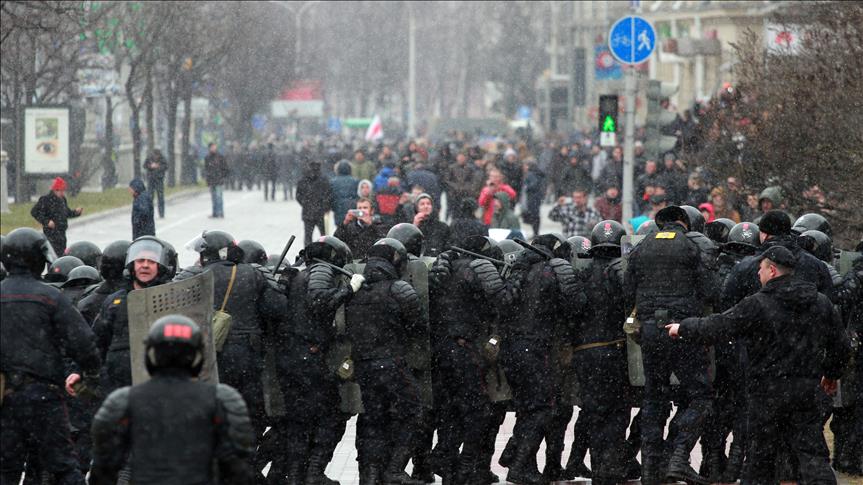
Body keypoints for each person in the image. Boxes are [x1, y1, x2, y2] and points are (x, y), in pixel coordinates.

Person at [666, 246, 851, 485]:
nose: (758, 274)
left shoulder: (758, 304)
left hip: (767, 393)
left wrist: (683, 327)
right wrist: (830, 373)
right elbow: (841, 346)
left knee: (761, 458)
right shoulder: (820, 302)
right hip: (806, 391)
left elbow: (720, 326)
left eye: (761, 269)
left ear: (772, 271)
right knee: (812, 456)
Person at [89, 315, 254, 485]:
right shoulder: (223, 398)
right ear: (196, 354)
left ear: (151, 353)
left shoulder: (122, 400)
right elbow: (237, 466)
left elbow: (103, 466)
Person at [623, 205, 719, 485]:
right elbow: (711, 289)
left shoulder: (642, 247)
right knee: (700, 395)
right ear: (684, 223)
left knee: (654, 397)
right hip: (682, 330)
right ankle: (677, 456)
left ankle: (650, 469)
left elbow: (627, 290)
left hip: (650, 331)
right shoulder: (691, 246)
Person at [1, 227, 101, 485]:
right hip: (44, 398)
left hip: (4, 398)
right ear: (38, 257)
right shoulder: (50, 297)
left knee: (6, 468)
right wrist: (89, 374)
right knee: (64, 466)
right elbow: (84, 342)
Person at [427, 236, 516, 484]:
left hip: (443, 348)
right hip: (463, 348)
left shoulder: (447, 268)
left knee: (452, 409)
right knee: (478, 411)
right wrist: (515, 279)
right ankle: (463, 464)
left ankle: (446, 457)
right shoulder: (479, 267)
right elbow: (503, 300)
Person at [498, 233, 584, 485]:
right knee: (544, 407)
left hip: (512, 349)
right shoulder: (550, 270)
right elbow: (576, 305)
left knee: (528, 407)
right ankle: (519, 463)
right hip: (535, 348)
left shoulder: (518, 270)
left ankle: (518, 458)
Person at [276, 236, 361, 484]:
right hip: (306, 357)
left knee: (298, 421)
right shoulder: (322, 269)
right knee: (331, 415)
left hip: (291, 356)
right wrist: (348, 290)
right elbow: (319, 302)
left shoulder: (298, 273)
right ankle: (313, 472)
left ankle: (295, 475)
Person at [345, 239, 426, 484]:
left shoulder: (355, 291)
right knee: (413, 414)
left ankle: (370, 474)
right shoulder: (399, 288)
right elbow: (418, 324)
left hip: (365, 366)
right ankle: (394, 468)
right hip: (392, 363)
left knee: (372, 419)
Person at [571, 220, 631, 485]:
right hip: (614, 349)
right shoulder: (621, 274)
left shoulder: (580, 274)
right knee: (617, 412)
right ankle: (613, 467)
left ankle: (599, 469)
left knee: (594, 412)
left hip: (584, 353)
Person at [92, 237, 177, 396]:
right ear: (132, 265)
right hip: (119, 386)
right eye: (140, 260)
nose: (145, 265)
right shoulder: (114, 302)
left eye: (151, 261)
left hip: (160, 385)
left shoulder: (171, 299)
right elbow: (98, 341)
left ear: (160, 267)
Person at [30, 176, 83, 256]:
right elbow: (34, 212)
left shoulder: (63, 200)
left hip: (62, 235)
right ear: (55, 190)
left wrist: (76, 212)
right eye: (61, 191)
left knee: (62, 257)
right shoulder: (45, 200)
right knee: (53, 256)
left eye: (63, 191)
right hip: (51, 235)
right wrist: (46, 221)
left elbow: (67, 213)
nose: (62, 193)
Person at [296, 161, 333, 247]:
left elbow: (298, 196)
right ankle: (324, 252)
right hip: (321, 212)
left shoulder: (303, 179)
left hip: (308, 212)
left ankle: (307, 254)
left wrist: (305, 203)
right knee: (324, 236)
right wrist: (325, 206)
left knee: (308, 236)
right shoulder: (324, 179)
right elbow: (329, 195)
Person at [445, 150, 481, 221]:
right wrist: (455, 186)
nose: (461, 159)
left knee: (465, 212)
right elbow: (447, 180)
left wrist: (467, 187)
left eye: (463, 157)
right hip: (454, 194)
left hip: (466, 194)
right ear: (457, 158)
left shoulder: (470, 168)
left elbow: (473, 180)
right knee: (454, 213)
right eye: (460, 157)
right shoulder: (452, 168)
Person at [521, 159, 546, 237]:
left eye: (525, 165)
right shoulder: (537, 173)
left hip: (532, 198)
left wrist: (526, 187)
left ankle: (535, 233)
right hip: (536, 198)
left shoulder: (530, 174)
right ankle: (536, 232)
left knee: (534, 216)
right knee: (535, 215)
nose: (524, 167)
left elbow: (534, 184)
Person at [204, 143, 229, 218]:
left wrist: (222, 177)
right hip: (212, 180)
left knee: (219, 197)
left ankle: (220, 212)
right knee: (213, 197)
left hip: (219, 180)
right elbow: (206, 169)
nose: (213, 148)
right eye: (212, 147)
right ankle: (215, 212)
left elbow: (225, 168)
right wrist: (207, 179)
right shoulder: (207, 158)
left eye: (214, 147)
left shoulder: (220, 157)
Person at [331, 159, 359, 225]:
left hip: (338, 207)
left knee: (340, 229)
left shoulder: (333, 182)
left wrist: (333, 206)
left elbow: (331, 197)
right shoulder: (355, 181)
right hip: (352, 208)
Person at [142, 149, 168, 218]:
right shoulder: (149, 158)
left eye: (157, 156)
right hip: (151, 180)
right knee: (150, 197)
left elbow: (166, 166)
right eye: (155, 155)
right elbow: (144, 165)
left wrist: (158, 167)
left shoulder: (162, 159)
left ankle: (161, 213)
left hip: (159, 180)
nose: (156, 157)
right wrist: (151, 166)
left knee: (160, 197)